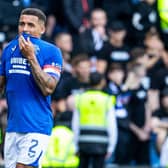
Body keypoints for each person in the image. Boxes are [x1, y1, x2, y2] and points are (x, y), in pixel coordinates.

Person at [0, 8, 63, 168]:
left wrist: (31, 57)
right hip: (13, 127)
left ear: (42, 29)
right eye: (22, 24)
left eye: (30, 25)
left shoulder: (51, 51)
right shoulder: (8, 50)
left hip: (36, 125)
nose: (25, 29)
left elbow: (48, 88)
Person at [67, 71, 118, 168]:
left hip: (83, 142)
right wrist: (111, 147)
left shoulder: (80, 98)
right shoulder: (107, 99)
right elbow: (112, 125)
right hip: (101, 143)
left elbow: (75, 124)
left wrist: (76, 145)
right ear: (102, 82)